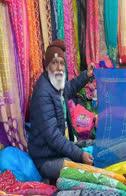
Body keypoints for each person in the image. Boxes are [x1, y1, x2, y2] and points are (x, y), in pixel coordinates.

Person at [28, 39, 95, 182]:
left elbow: (69, 88)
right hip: (46, 158)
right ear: (46, 66)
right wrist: (79, 155)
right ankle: (49, 179)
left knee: (94, 146)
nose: (59, 68)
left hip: (57, 150)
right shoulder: (43, 94)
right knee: (85, 172)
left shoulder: (56, 83)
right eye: (54, 62)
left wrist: (86, 75)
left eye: (61, 63)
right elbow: (53, 137)